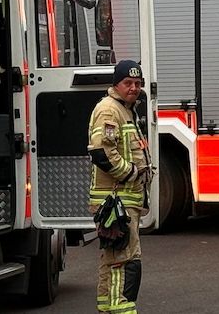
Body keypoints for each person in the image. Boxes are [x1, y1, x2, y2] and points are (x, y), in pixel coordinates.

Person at [88, 60, 153, 314]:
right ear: (116, 84)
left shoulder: (126, 110)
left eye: (138, 83)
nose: (134, 88)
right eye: (128, 83)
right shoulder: (109, 110)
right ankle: (121, 311)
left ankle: (108, 309)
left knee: (113, 261)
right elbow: (101, 153)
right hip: (116, 202)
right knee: (125, 262)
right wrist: (132, 173)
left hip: (124, 201)